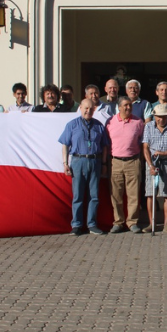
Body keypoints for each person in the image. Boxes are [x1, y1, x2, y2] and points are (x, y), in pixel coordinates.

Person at [59, 99, 109, 236]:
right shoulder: (72, 125)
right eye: (86, 108)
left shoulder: (99, 126)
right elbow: (65, 144)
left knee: (94, 196)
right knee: (78, 195)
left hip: (95, 161)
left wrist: (104, 163)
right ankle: (76, 225)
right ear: (80, 108)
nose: (88, 111)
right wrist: (65, 163)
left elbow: (104, 146)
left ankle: (92, 224)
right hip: (78, 161)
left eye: (91, 109)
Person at [106, 96, 146, 233]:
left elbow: (142, 143)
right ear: (119, 107)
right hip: (115, 162)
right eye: (125, 105)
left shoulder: (138, 122)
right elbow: (106, 143)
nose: (128, 107)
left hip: (133, 161)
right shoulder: (110, 122)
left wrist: (140, 160)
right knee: (116, 194)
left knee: (133, 194)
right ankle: (118, 222)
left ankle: (132, 222)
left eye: (130, 105)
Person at [142, 105, 167, 233]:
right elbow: (145, 147)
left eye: (163, 117)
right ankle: (151, 224)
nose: (161, 119)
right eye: (158, 117)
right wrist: (150, 165)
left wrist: (164, 153)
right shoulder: (148, 126)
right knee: (150, 193)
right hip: (151, 162)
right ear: (154, 116)